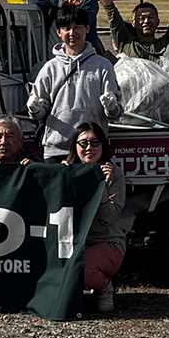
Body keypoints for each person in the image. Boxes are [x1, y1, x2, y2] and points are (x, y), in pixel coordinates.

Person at [27, 6, 121, 162]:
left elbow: (115, 114)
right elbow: (39, 114)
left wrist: (111, 107)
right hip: (56, 149)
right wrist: (35, 109)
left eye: (77, 27)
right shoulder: (49, 68)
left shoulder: (103, 66)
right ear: (59, 32)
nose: (72, 33)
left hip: (92, 148)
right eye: (66, 28)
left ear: (87, 28)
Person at [65, 123, 125, 312]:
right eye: (83, 143)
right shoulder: (66, 172)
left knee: (81, 269)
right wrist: (61, 179)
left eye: (94, 142)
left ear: (103, 145)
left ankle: (104, 288)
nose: (89, 147)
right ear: (75, 146)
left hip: (106, 241)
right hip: (74, 243)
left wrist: (103, 187)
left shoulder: (115, 174)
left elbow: (109, 218)